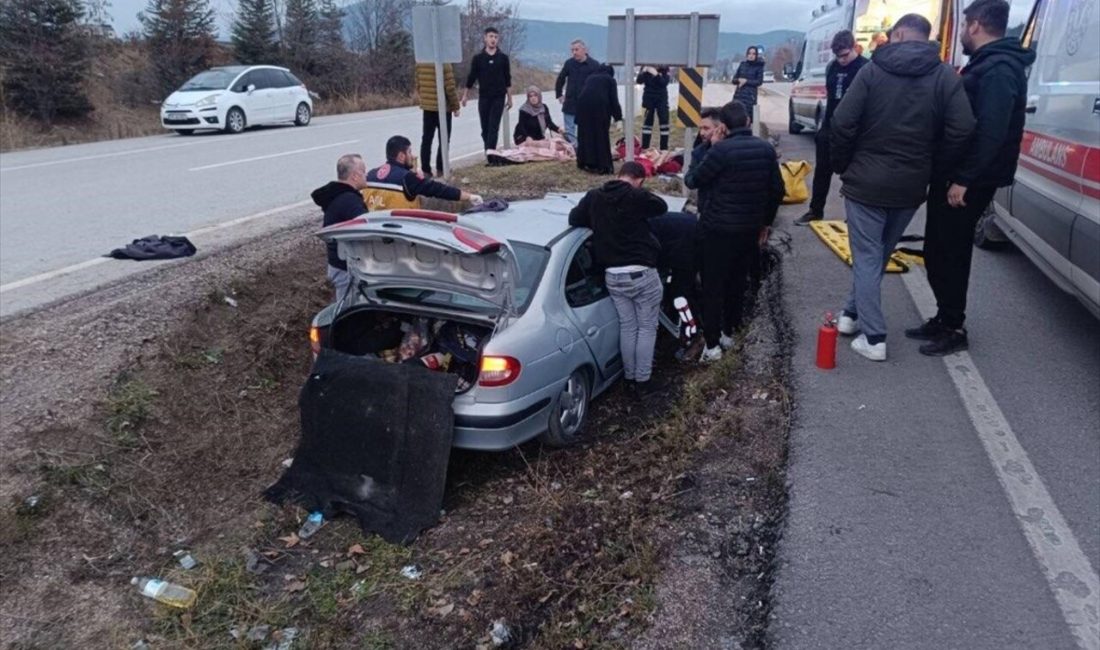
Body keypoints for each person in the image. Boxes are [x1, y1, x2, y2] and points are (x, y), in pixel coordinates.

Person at [830, 14, 975, 362]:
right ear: (927, 37)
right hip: (910, 186)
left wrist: (843, 165)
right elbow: (963, 128)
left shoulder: (872, 71)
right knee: (877, 255)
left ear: (896, 34)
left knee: (867, 256)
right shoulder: (944, 75)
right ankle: (850, 316)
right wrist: (934, 165)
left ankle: (875, 336)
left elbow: (842, 121)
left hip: (866, 182)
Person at [908, 0, 1035, 356]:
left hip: (968, 179)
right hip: (957, 173)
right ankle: (943, 317)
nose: (962, 32)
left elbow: (991, 131)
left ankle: (954, 326)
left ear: (976, 24)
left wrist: (964, 178)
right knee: (937, 247)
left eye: (965, 25)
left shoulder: (998, 70)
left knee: (951, 250)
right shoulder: (987, 65)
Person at [685, 101, 784, 363]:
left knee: (712, 287)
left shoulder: (720, 151)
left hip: (716, 230)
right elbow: (777, 190)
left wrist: (711, 147)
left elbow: (693, 180)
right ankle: (731, 331)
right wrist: (765, 223)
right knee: (738, 283)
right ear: (748, 122)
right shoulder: (765, 149)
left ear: (724, 127)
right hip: (749, 230)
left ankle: (713, 345)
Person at [568, 161, 668, 393]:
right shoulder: (637, 197)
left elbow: (575, 218)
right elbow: (661, 207)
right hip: (642, 273)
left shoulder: (594, 197)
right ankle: (643, 380)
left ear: (618, 174)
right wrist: (638, 192)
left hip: (612, 275)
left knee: (628, 326)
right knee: (646, 327)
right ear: (639, 180)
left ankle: (630, 377)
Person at [796, 31, 868, 226]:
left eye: (845, 55)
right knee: (822, 172)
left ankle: (853, 217)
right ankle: (815, 210)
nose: (842, 60)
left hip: (854, 132)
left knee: (853, 177)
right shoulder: (832, 67)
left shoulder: (865, 68)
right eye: (838, 56)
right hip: (830, 127)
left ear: (854, 48)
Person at [363, 136, 482, 212]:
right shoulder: (407, 178)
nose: (413, 156)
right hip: (402, 231)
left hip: (376, 231)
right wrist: (469, 196)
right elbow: (437, 189)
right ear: (401, 156)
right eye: (409, 152)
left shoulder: (370, 175)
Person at [311, 153, 367, 300]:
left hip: (335, 263)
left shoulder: (336, 195)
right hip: (346, 268)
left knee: (341, 303)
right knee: (347, 310)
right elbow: (366, 232)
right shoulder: (350, 201)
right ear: (355, 176)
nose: (366, 175)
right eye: (363, 171)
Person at [462, 27, 512, 152]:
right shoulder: (478, 59)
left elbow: (508, 79)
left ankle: (491, 154)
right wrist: (465, 95)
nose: (493, 39)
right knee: (485, 128)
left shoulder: (503, 58)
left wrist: (510, 98)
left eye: (495, 37)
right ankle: (488, 150)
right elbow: (471, 77)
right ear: (485, 38)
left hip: (499, 96)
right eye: (491, 36)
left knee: (493, 126)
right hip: (484, 97)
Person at [575, 65, 622, 175]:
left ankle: (583, 162)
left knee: (585, 135)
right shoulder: (610, 80)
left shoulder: (590, 77)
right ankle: (602, 165)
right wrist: (618, 118)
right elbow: (613, 100)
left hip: (582, 108)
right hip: (600, 108)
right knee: (600, 136)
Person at [415, 62, 460, 177]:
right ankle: (441, 168)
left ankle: (426, 170)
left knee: (426, 139)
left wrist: (424, 99)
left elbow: (418, 83)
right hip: (443, 107)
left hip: (428, 107)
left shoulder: (421, 62)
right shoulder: (444, 62)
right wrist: (455, 106)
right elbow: (450, 87)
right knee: (444, 140)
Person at [555, 40, 601, 143]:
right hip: (570, 102)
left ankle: (584, 149)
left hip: (587, 104)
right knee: (570, 129)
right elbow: (561, 79)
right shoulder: (569, 63)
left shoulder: (594, 65)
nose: (574, 52)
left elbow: (599, 84)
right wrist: (559, 94)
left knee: (585, 129)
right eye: (572, 50)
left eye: (576, 49)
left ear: (584, 50)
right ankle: (574, 149)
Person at [636, 66, 670, 150]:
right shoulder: (645, 67)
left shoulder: (665, 68)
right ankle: (645, 147)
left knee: (664, 124)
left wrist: (655, 73)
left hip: (661, 99)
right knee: (647, 125)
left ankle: (664, 148)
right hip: (648, 99)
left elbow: (664, 83)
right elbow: (639, 81)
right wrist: (643, 71)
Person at [732, 47, 765, 116]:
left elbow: (759, 81)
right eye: (749, 53)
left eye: (753, 54)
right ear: (747, 55)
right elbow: (733, 80)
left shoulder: (759, 66)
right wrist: (738, 80)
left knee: (747, 117)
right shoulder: (742, 65)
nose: (751, 55)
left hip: (750, 97)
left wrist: (746, 81)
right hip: (739, 95)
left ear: (756, 55)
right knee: (735, 116)